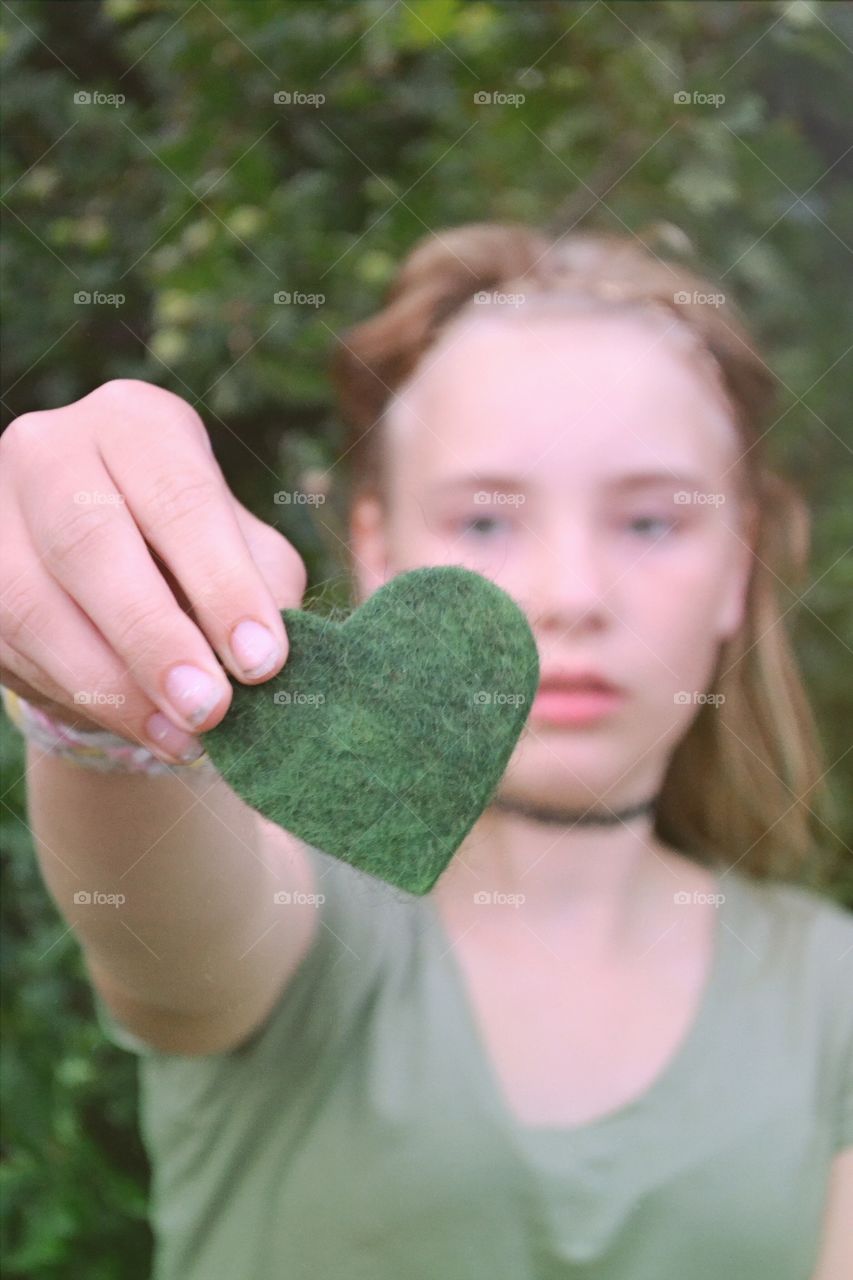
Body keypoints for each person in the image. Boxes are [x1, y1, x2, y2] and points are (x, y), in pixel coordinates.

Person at [1, 222, 850, 1280]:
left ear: (739, 566)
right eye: (488, 521)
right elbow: (168, 917)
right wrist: (102, 700)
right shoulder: (294, 915)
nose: (572, 596)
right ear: (376, 547)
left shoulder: (829, 991)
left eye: (649, 522)